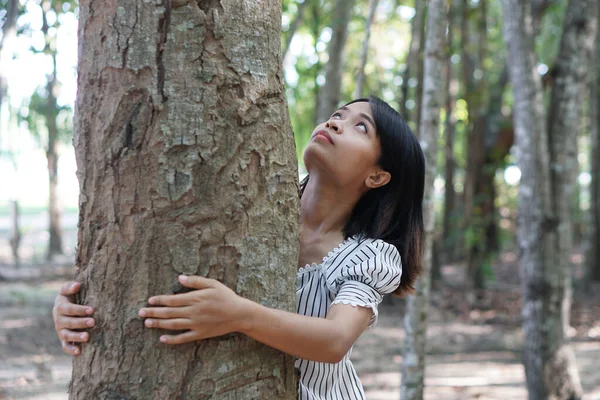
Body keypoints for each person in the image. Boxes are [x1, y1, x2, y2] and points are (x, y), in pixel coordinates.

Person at [52, 95, 425, 399]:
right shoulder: (250, 201)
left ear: (377, 175)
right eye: (336, 115)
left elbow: (335, 341)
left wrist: (237, 314)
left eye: (360, 127)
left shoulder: (368, 256)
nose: (334, 123)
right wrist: (83, 304)